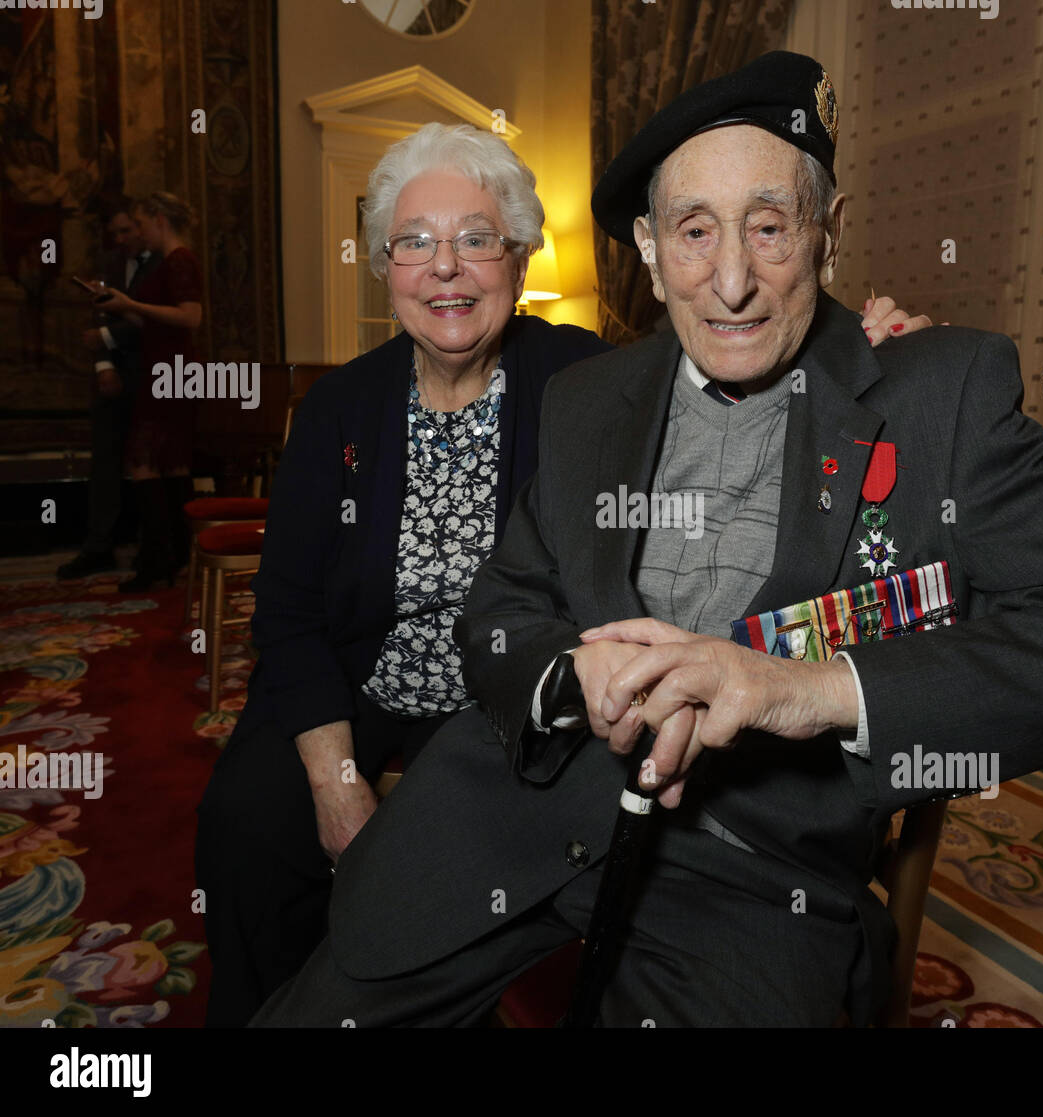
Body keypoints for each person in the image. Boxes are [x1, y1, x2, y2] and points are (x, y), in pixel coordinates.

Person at [251, 52, 1043, 1028]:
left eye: (769, 227)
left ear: (826, 232)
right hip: (510, 812)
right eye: (694, 232)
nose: (730, 282)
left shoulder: (937, 392)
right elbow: (500, 609)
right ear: (649, 249)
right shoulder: (586, 398)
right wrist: (570, 676)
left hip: (753, 870)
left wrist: (807, 689)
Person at [194, 118, 933, 1027]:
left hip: (510, 694)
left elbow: (735, 331)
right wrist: (335, 777)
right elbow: (292, 614)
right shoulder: (337, 408)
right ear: (385, 266)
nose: (447, 269)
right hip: (359, 677)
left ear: (517, 255)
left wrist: (869, 343)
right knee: (247, 824)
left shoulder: (583, 373)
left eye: (477, 240)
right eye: (416, 244)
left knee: (469, 857)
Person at [95, 191, 203, 591]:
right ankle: (176, 558)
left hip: (171, 373)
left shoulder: (179, 259)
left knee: (144, 463)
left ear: (159, 219)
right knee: (171, 464)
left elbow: (191, 317)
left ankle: (158, 561)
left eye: (140, 223)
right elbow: (159, 323)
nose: (138, 232)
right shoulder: (170, 262)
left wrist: (133, 306)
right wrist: (122, 307)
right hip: (167, 370)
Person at [58, 199, 159, 580]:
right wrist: (103, 364)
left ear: (140, 227)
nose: (120, 239)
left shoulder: (163, 264)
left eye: (126, 231)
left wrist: (103, 336)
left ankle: (151, 549)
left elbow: (154, 320)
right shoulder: (112, 264)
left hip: (150, 376)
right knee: (104, 464)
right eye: (114, 233)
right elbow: (98, 311)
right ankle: (99, 546)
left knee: (150, 464)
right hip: (111, 376)